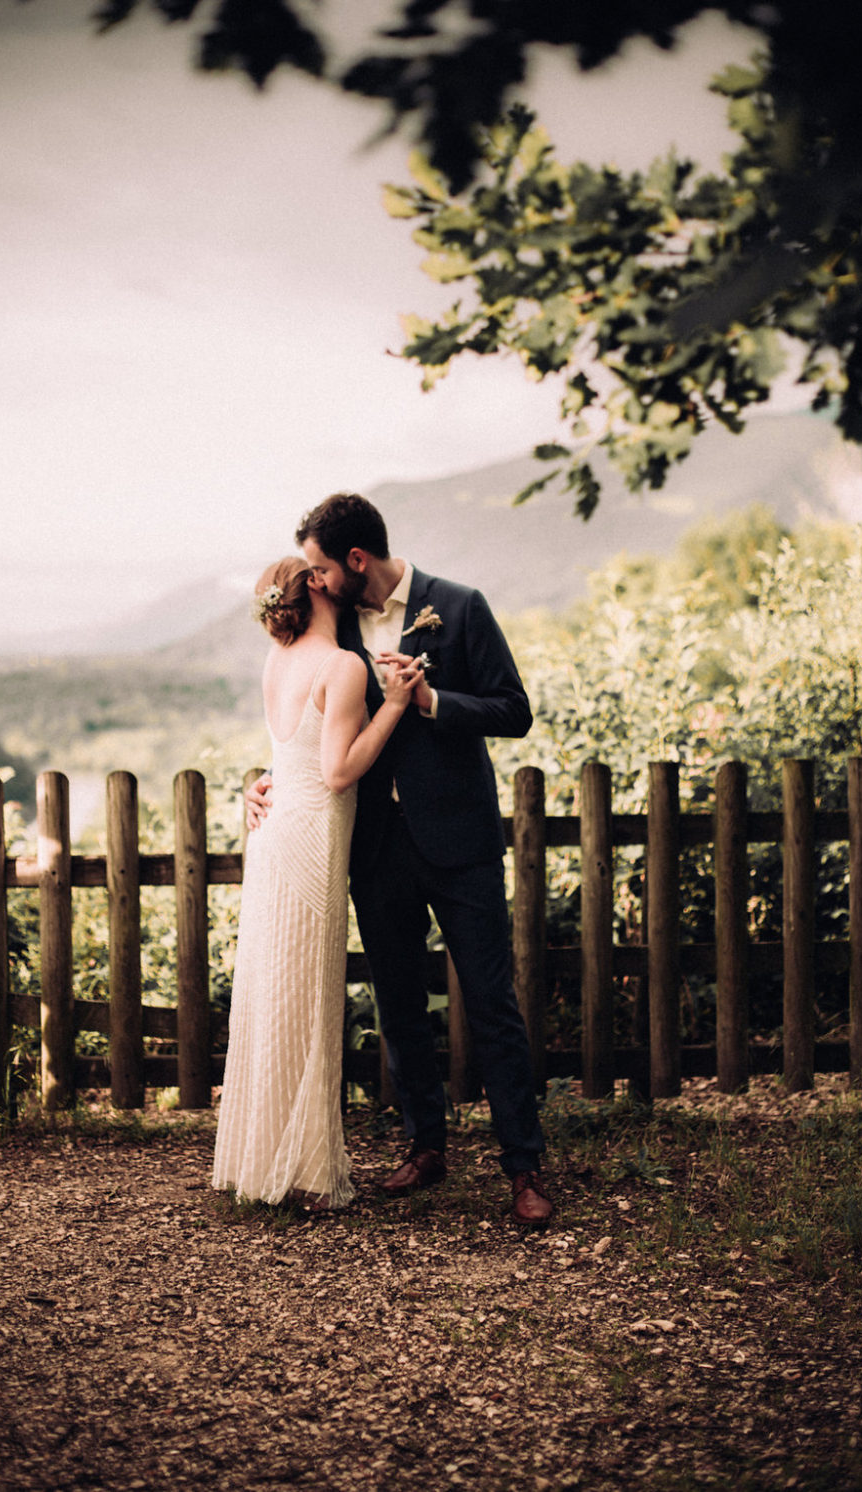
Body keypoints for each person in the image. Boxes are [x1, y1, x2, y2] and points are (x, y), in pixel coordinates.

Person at [247, 495, 553, 1225]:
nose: (313, 581)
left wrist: (432, 702)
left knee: (491, 1001)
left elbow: (514, 710)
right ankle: (425, 1145)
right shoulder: (334, 623)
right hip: (375, 847)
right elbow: (306, 710)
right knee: (400, 1004)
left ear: (357, 561)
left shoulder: (460, 606)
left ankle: (524, 1168)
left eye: (321, 567)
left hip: (460, 842)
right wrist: (264, 782)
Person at [212, 555, 421, 1209]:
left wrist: (256, 787)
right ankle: (303, 1171)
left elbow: (288, 754)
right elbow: (337, 772)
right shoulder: (343, 665)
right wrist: (396, 706)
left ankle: (268, 1160)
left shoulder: (280, 660)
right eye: (320, 572)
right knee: (307, 995)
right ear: (314, 588)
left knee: (276, 993)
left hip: (274, 836)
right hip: (311, 836)